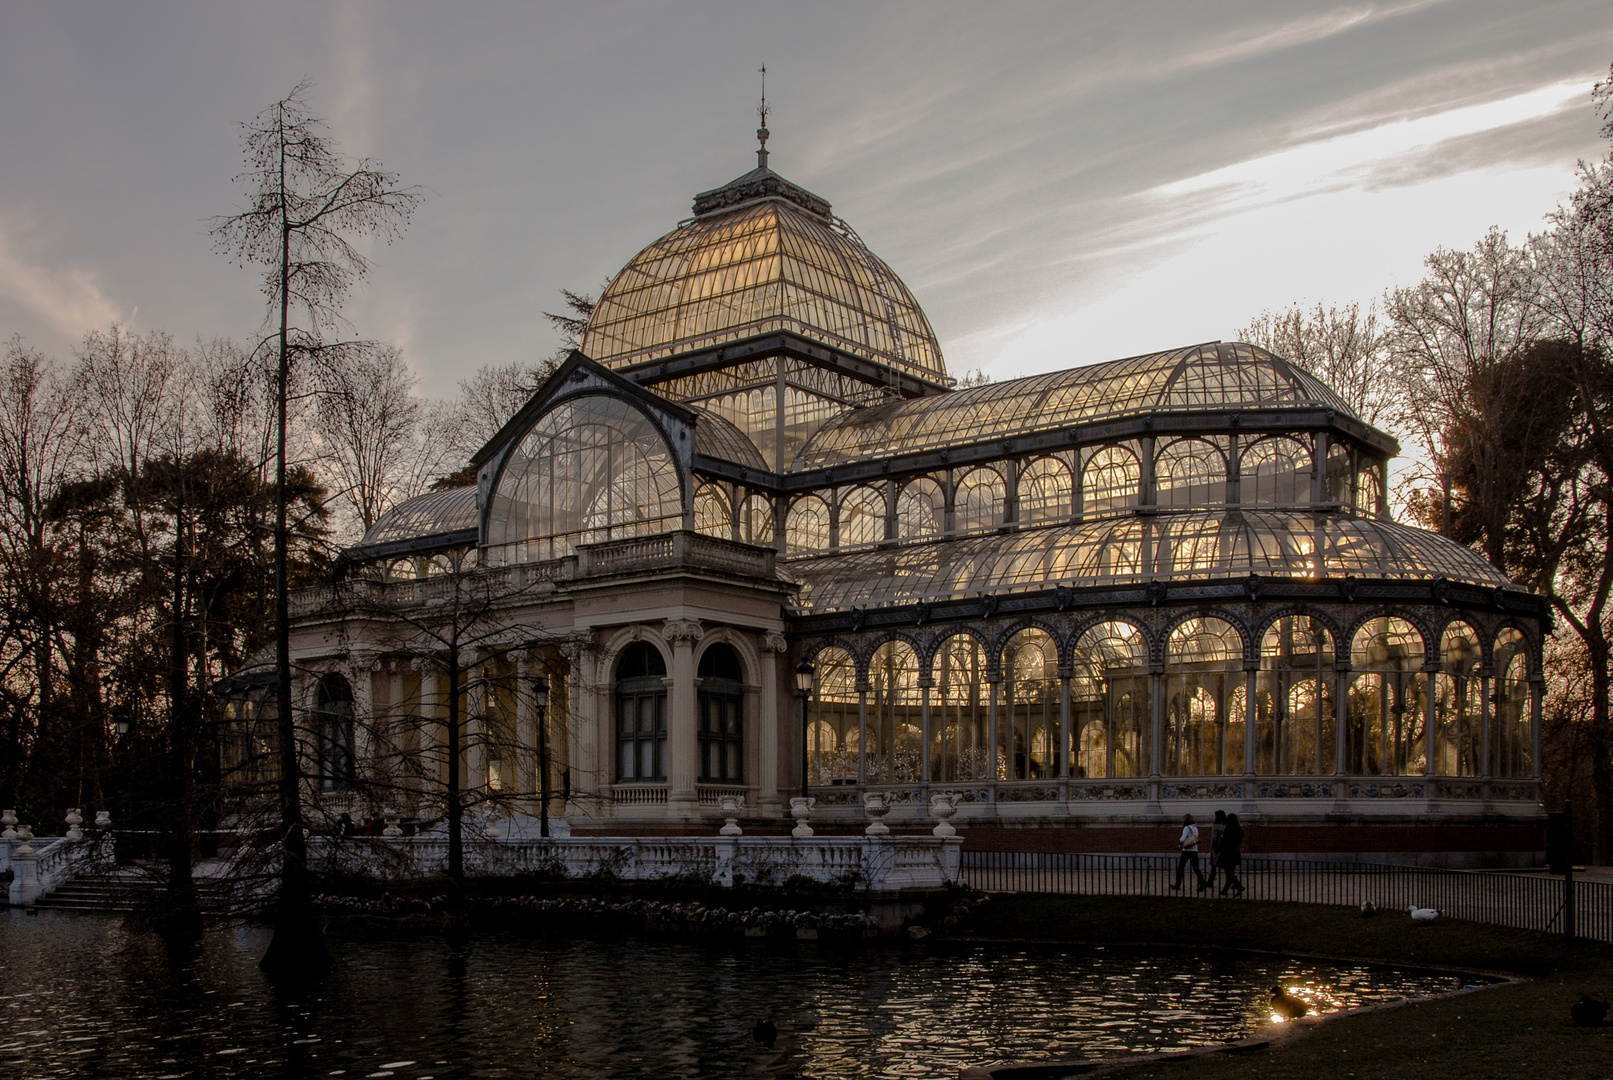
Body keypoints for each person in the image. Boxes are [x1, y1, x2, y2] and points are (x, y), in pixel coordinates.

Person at [1170, 813, 1207, 891]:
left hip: (1186, 850)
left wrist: (1180, 840)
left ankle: (1178, 884)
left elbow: (1182, 839)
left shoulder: (1186, 828)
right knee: (1196, 868)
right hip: (1194, 850)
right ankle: (1202, 883)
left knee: (1180, 868)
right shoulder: (1195, 828)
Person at [1219, 812, 1245, 896]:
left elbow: (1223, 841)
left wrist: (1217, 849)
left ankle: (1238, 886)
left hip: (1227, 853)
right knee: (1230, 872)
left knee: (1229, 873)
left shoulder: (1228, 829)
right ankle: (1225, 890)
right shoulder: (1240, 831)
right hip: (1235, 852)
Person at [1205, 809, 1227, 891]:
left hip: (1217, 848)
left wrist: (1212, 848)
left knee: (1214, 866)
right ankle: (1234, 881)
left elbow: (1214, 838)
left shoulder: (1215, 826)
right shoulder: (1226, 826)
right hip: (1224, 848)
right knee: (1226, 866)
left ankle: (1210, 881)